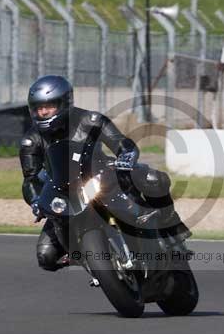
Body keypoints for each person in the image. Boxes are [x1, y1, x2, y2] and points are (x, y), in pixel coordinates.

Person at [19, 75, 190, 271]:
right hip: (63, 190)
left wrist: (126, 156)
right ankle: (87, 260)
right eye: (39, 108)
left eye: (49, 107)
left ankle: (173, 231)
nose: (43, 112)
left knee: (153, 179)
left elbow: (122, 144)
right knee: (45, 256)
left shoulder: (90, 120)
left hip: (101, 173)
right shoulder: (30, 140)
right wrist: (35, 201)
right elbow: (30, 180)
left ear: (64, 102)